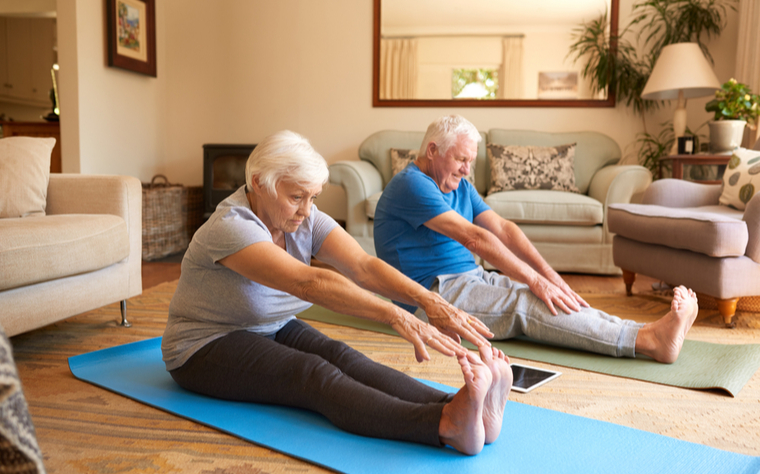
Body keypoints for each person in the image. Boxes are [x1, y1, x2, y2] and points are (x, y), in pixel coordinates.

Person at [161, 130, 513, 455]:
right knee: (312, 373)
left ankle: (464, 408)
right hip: (204, 345)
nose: (306, 210)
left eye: (313, 197)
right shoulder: (232, 227)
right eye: (296, 196)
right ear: (258, 183)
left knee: (343, 357)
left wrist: (428, 301)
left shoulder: (304, 217)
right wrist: (395, 314)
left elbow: (362, 265)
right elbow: (308, 282)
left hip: (268, 325)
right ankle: (445, 425)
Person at [374, 115, 700, 364]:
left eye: (470, 162)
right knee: (525, 304)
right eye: (461, 160)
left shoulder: (458, 184)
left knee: (540, 294)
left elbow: (503, 229)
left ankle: (646, 332)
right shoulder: (412, 184)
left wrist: (549, 277)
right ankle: (647, 342)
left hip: (469, 279)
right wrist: (535, 282)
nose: (466, 171)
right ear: (433, 151)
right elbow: (475, 238)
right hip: (432, 296)